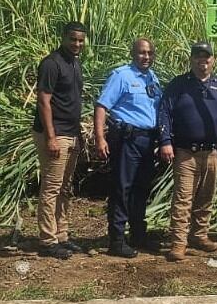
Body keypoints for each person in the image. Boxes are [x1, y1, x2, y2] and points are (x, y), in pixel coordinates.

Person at [157, 41, 217, 262]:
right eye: (198, 57)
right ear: (191, 60)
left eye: (206, 57)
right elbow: (164, 113)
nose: (202, 62)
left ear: (213, 60)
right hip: (186, 152)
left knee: (206, 198)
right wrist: (165, 141)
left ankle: (199, 235)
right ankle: (178, 243)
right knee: (183, 199)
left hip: (212, 153)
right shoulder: (179, 85)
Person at [95, 38, 163, 258]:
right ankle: (116, 240)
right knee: (122, 188)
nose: (146, 57)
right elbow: (102, 106)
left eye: (150, 53)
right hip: (127, 139)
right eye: (142, 53)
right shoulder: (121, 75)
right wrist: (99, 137)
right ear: (133, 53)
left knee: (141, 189)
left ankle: (138, 235)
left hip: (147, 141)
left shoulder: (153, 78)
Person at [32, 21, 87, 260]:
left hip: (72, 133)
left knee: (65, 187)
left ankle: (62, 234)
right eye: (73, 39)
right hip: (55, 134)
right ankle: (47, 240)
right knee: (51, 187)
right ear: (63, 38)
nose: (76, 44)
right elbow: (44, 101)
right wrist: (51, 137)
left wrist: (80, 134)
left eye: (81, 40)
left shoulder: (74, 63)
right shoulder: (51, 64)